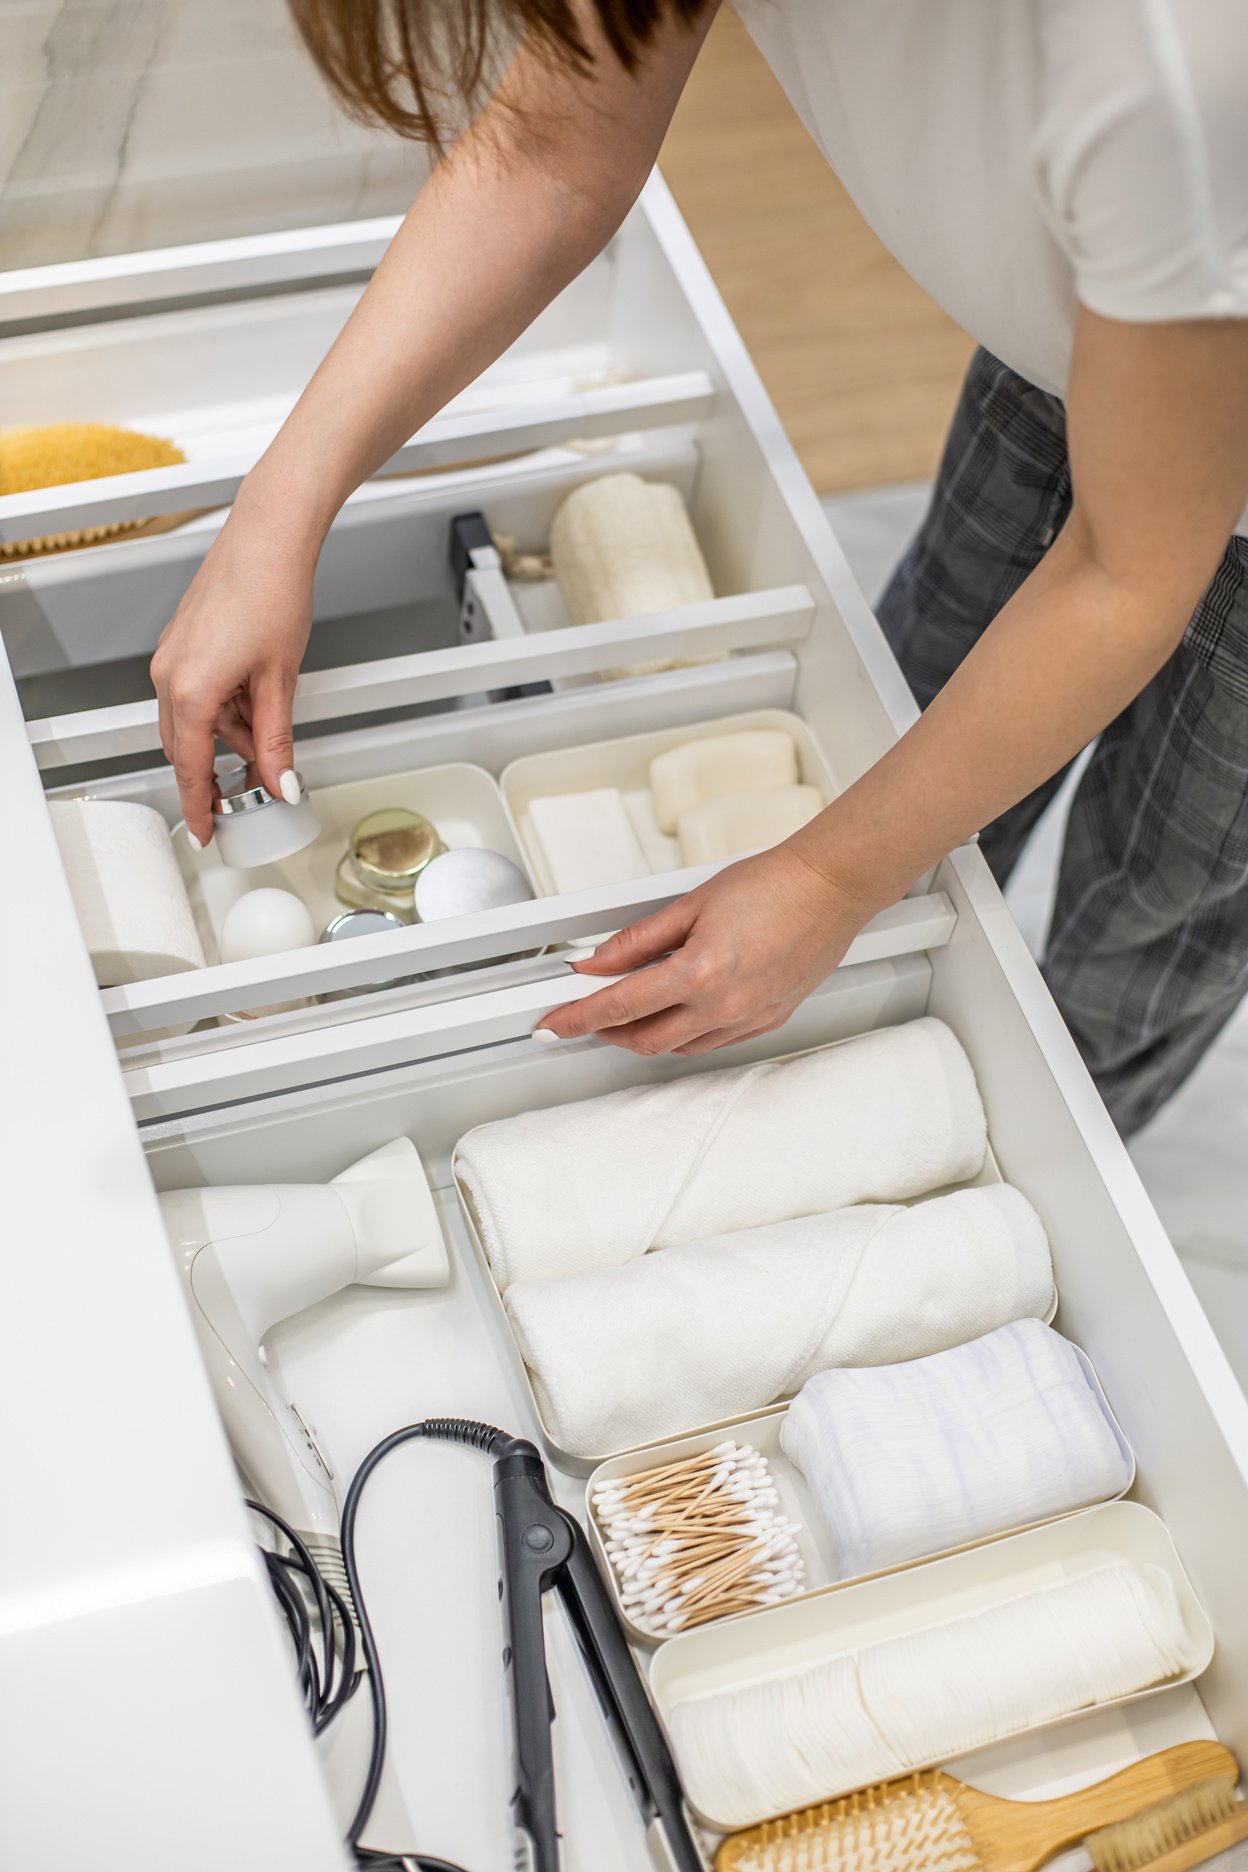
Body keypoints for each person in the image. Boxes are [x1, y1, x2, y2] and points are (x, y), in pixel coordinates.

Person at [152, 0, 1248, 1135]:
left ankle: (1070, 1118)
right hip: (1085, 317)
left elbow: (1128, 577)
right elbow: (553, 149)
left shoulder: (1172, 62)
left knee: (1162, 885)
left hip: (1191, 280)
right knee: (929, 667)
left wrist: (827, 881)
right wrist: (277, 513)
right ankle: (900, 1027)